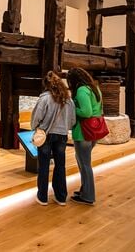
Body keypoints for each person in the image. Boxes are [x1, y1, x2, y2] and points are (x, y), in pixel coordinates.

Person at [31, 71, 76, 206]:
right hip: (62, 135)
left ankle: (42, 197)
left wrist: (36, 127)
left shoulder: (44, 98)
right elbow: (72, 120)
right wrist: (64, 128)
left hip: (46, 134)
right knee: (60, 166)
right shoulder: (68, 99)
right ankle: (61, 197)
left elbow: (36, 118)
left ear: (46, 85)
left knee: (44, 166)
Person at [67, 67, 104, 206]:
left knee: (85, 164)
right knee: (83, 162)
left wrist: (71, 108)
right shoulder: (94, 88)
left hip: (83, 132)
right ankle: (84, 190)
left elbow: (86, 112)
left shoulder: (82, 90)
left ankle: (88, 196)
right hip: (93, 131)